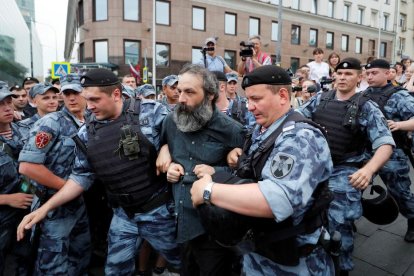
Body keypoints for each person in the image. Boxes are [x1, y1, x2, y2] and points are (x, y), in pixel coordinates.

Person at [17, 68, 181, 275]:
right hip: (124, 215)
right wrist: (43, 209)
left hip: (160, 212)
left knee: (185, 263)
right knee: (114, 270)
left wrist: (167, 147)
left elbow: (185, 138)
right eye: (87, 99)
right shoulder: (87, 133)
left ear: (115, 94)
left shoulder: (152, 111)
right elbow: (80, 177)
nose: (90, 106)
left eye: (95, 99)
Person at [190, 65, 334, 275]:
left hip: (292, 262)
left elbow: (277, 199)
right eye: (247, 99)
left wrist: (209, 191)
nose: (249, 106)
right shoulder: (263, 129)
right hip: (260, 251)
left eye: (256, 99)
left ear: (283, 96)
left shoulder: (301, 138)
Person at [299, 57, 395, 275]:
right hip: (315, 167)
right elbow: (295, 118)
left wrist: (368, 170)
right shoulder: (320, 99)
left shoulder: (366, 107)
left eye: (349, 74)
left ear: (359, 78)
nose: (342, 77)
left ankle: (342, 267)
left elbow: (385, 144)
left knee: (339, 223)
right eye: (339, 73)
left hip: (344, 170)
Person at [158, 64, 245, 275]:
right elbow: (160, 147)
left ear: (210, 96)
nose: (181, 99)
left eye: (189, 92)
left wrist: (218, 171)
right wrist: (166, 158)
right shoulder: (171, 120)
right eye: (179, 91)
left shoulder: (232, 130)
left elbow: (246, 176)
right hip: (178, 222)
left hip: (212, 229)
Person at [17, 73, 90, 275]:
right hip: (52, 207)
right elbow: (27, 167)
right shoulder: (51, 122)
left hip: (79, 204)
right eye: (66, 93)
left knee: (80, 256)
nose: (72, 98)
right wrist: (68, 188)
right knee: (52, 265)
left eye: (76, 92)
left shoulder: (91, 120)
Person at [364, 59, 414, 243]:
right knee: (350, 188)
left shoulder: (399, 96)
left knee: (400, 192)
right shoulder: (363, 95)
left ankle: (412, 218)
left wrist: (399, 125)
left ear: (388, 74)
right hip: (365, 152)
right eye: (367, 73)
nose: (370, 76)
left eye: (374, 73)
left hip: (392, 154)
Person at [0, 83, 32, 276]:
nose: (7, 107)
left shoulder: (26, 131)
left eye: (8, 102)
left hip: (27, 215)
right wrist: (8, 199)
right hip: (3, 217)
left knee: (25, 263)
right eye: (0, 104)